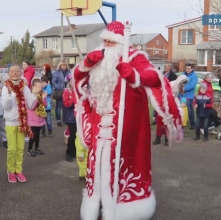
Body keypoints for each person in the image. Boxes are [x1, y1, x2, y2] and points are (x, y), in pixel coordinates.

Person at [73, 21, 182, 220]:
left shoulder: (134, 57)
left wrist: (134, 75)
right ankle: (96, 203)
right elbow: (77, 79)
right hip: (100, 124)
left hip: (126, 125)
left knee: (123, 165)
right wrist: (86, 64)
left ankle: (125, 208)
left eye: (110, 41)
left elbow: (154, 76)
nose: (105, 44)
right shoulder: (97, 58)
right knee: (96, 166)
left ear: (119, 42)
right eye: (103, 40)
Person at [2, 65, 42, 183]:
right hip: (10, 122)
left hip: (22, 123)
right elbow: (6, 106)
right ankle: (11, 171)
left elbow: (30, 104)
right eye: (12, 71)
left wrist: (34, 94)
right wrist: (11, 93)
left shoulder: (25, 87)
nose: (14, 73)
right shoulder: (6, 87)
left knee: (20, 148)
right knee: (12, 149)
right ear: (9, 73)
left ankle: (18, 170)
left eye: (17, 71)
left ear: (20, 72)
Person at [27, 77, 47, 157]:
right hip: (33, 119)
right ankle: (29, 149)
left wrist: (43, 99)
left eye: (40, 87)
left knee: (38, 134)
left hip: (40, 119)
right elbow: (32, 106)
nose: (39, 89)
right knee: (32, 135)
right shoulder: (31, 96)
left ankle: (37, 148)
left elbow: (45, 105)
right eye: (37, 87)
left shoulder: (41, 94)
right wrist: (36, 98)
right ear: (33, 86)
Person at [62, 74, 76, 162]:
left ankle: (75, 152)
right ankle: (69, 153)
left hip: (79, 116)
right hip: (70, 117)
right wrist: (74, 97)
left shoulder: (80, 90)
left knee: (78, 136)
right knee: (72, 135)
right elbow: (66, 104)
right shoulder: (66, 92)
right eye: (72, 80)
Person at [52, 61, 70, 127]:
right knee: (59, 107)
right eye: (62, 65)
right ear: (60, 66)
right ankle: (58, 120)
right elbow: (53, 82)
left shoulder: (69, 72)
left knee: (66, 106)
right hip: (59, 92)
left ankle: (65, 119)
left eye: (65, 65)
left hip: (67, 91)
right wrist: (59, 87)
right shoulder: (57, 73)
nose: (64, 66)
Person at [182, 64, 198, 130]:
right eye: (186, 68)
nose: (187, 70)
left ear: (192, 69)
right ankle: (183, 122)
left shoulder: (194, 76)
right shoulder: (182, 75)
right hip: (181, 95)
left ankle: (192, 124)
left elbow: (192, 85)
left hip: (189, 95)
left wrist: (184, 89)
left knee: (190, 110)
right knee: (182, 109)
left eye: (189, 68)